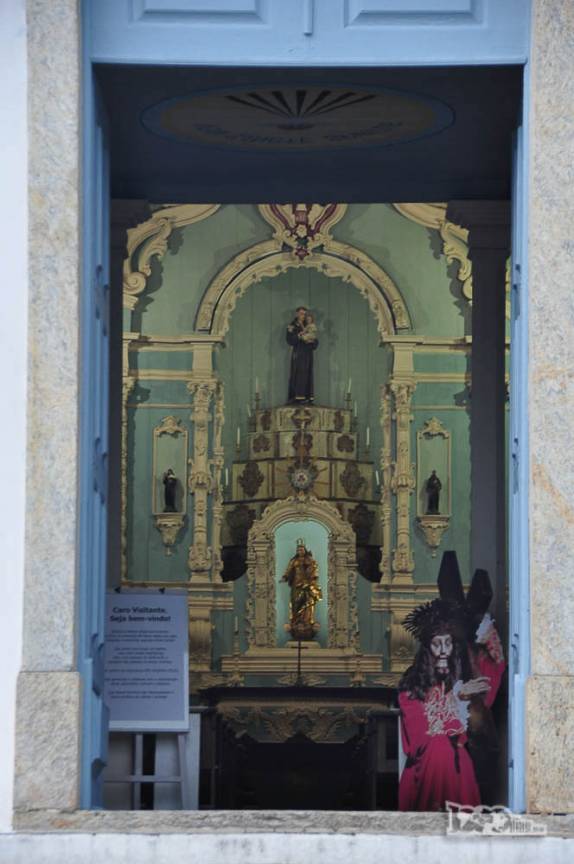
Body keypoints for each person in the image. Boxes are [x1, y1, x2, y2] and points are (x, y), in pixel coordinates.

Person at [398, 598, 505, 812]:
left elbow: (489, 685)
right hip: (428, 768)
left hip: (458, 770)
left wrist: (489, 639)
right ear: (427, 648)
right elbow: (421, 738)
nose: (444, 650)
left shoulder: (458, 681)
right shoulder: (412, 685)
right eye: (437, 644)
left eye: (448, 643)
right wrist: (457, 698)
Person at [282, 540, 322, 640]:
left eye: (302, 549)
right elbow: (288, 570)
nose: (300, 551)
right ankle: (296, 622)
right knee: (296, 603)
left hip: (307, 586)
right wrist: (285, 577)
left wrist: (311, 579)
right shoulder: (294, 561)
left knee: (308, 604)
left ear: (305, 550)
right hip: (296, 586)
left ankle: (307, 622)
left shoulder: (310, 560)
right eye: (298, 549)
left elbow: (315, 569)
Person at [286, 306, 318, 403]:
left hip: (308, 354)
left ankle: (308, 397)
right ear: (297, 314)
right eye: (301, 313)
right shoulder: (292, 326)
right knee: (298, 374)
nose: (303, 316)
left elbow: (315, 340)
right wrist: (299, 336)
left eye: (304, 314)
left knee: (308, 374)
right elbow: (290, 340)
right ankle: (296, 397)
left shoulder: (309, 325)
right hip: (298, 354)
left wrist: (312, 342)